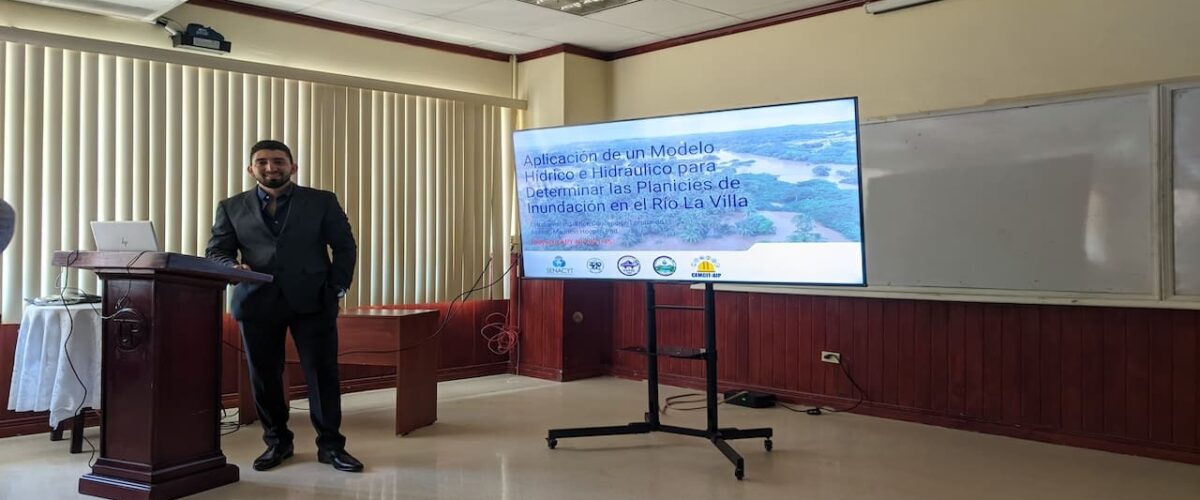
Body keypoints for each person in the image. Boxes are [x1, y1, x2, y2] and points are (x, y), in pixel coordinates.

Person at [206, 140, 362, 472]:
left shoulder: (322, 201)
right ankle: (278, 443)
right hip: (256, 302)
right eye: (262, 162)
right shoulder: (231, 206)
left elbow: (345, 247)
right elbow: (216, 251)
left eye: (278, 161)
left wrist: (336, 288)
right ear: (251, 169)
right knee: (264, 377)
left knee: (322, 375)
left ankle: (331, 446)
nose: (270, 167)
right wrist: (232, 268)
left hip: (314, 301)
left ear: (293, 167)